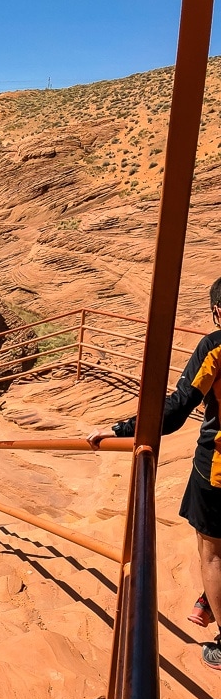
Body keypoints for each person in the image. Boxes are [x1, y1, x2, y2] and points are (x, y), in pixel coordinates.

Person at [87, 278, 221, 671]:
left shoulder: (215, 346)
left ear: (216, 310)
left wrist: (122, 428)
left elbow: (178, 408)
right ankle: (208, 599)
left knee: (211, 552)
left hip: (216, 471)